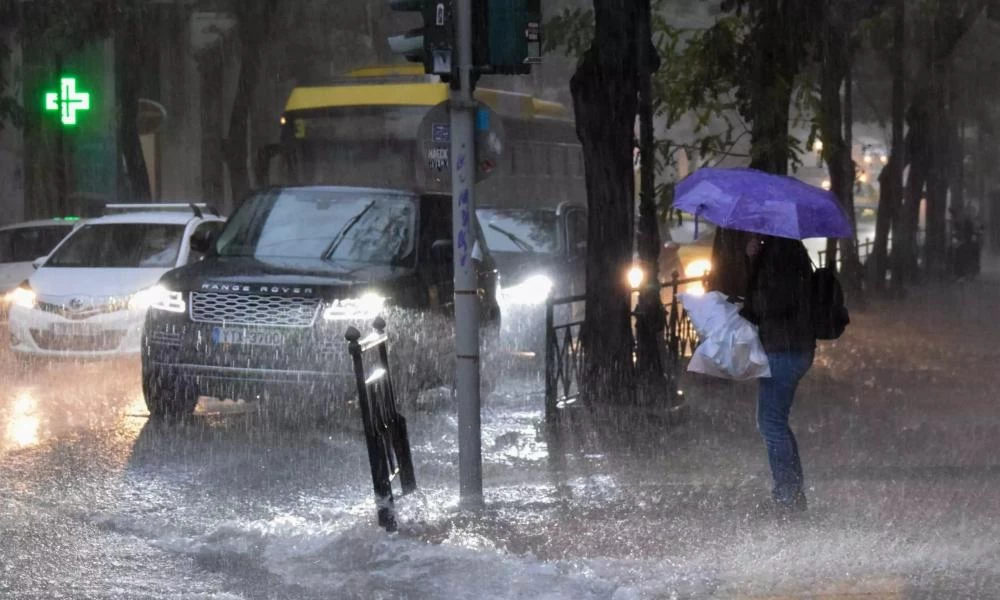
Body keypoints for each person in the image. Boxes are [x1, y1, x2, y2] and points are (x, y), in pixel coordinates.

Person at [740, 234, 816, 515]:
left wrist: (754, 260)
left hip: (785, 348)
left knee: (770, 423)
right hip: (792, 346)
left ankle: (788, 496)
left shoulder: (779, 252)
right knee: (775, 422)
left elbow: (770, 304)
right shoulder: (788, 248)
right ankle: (792, 492)